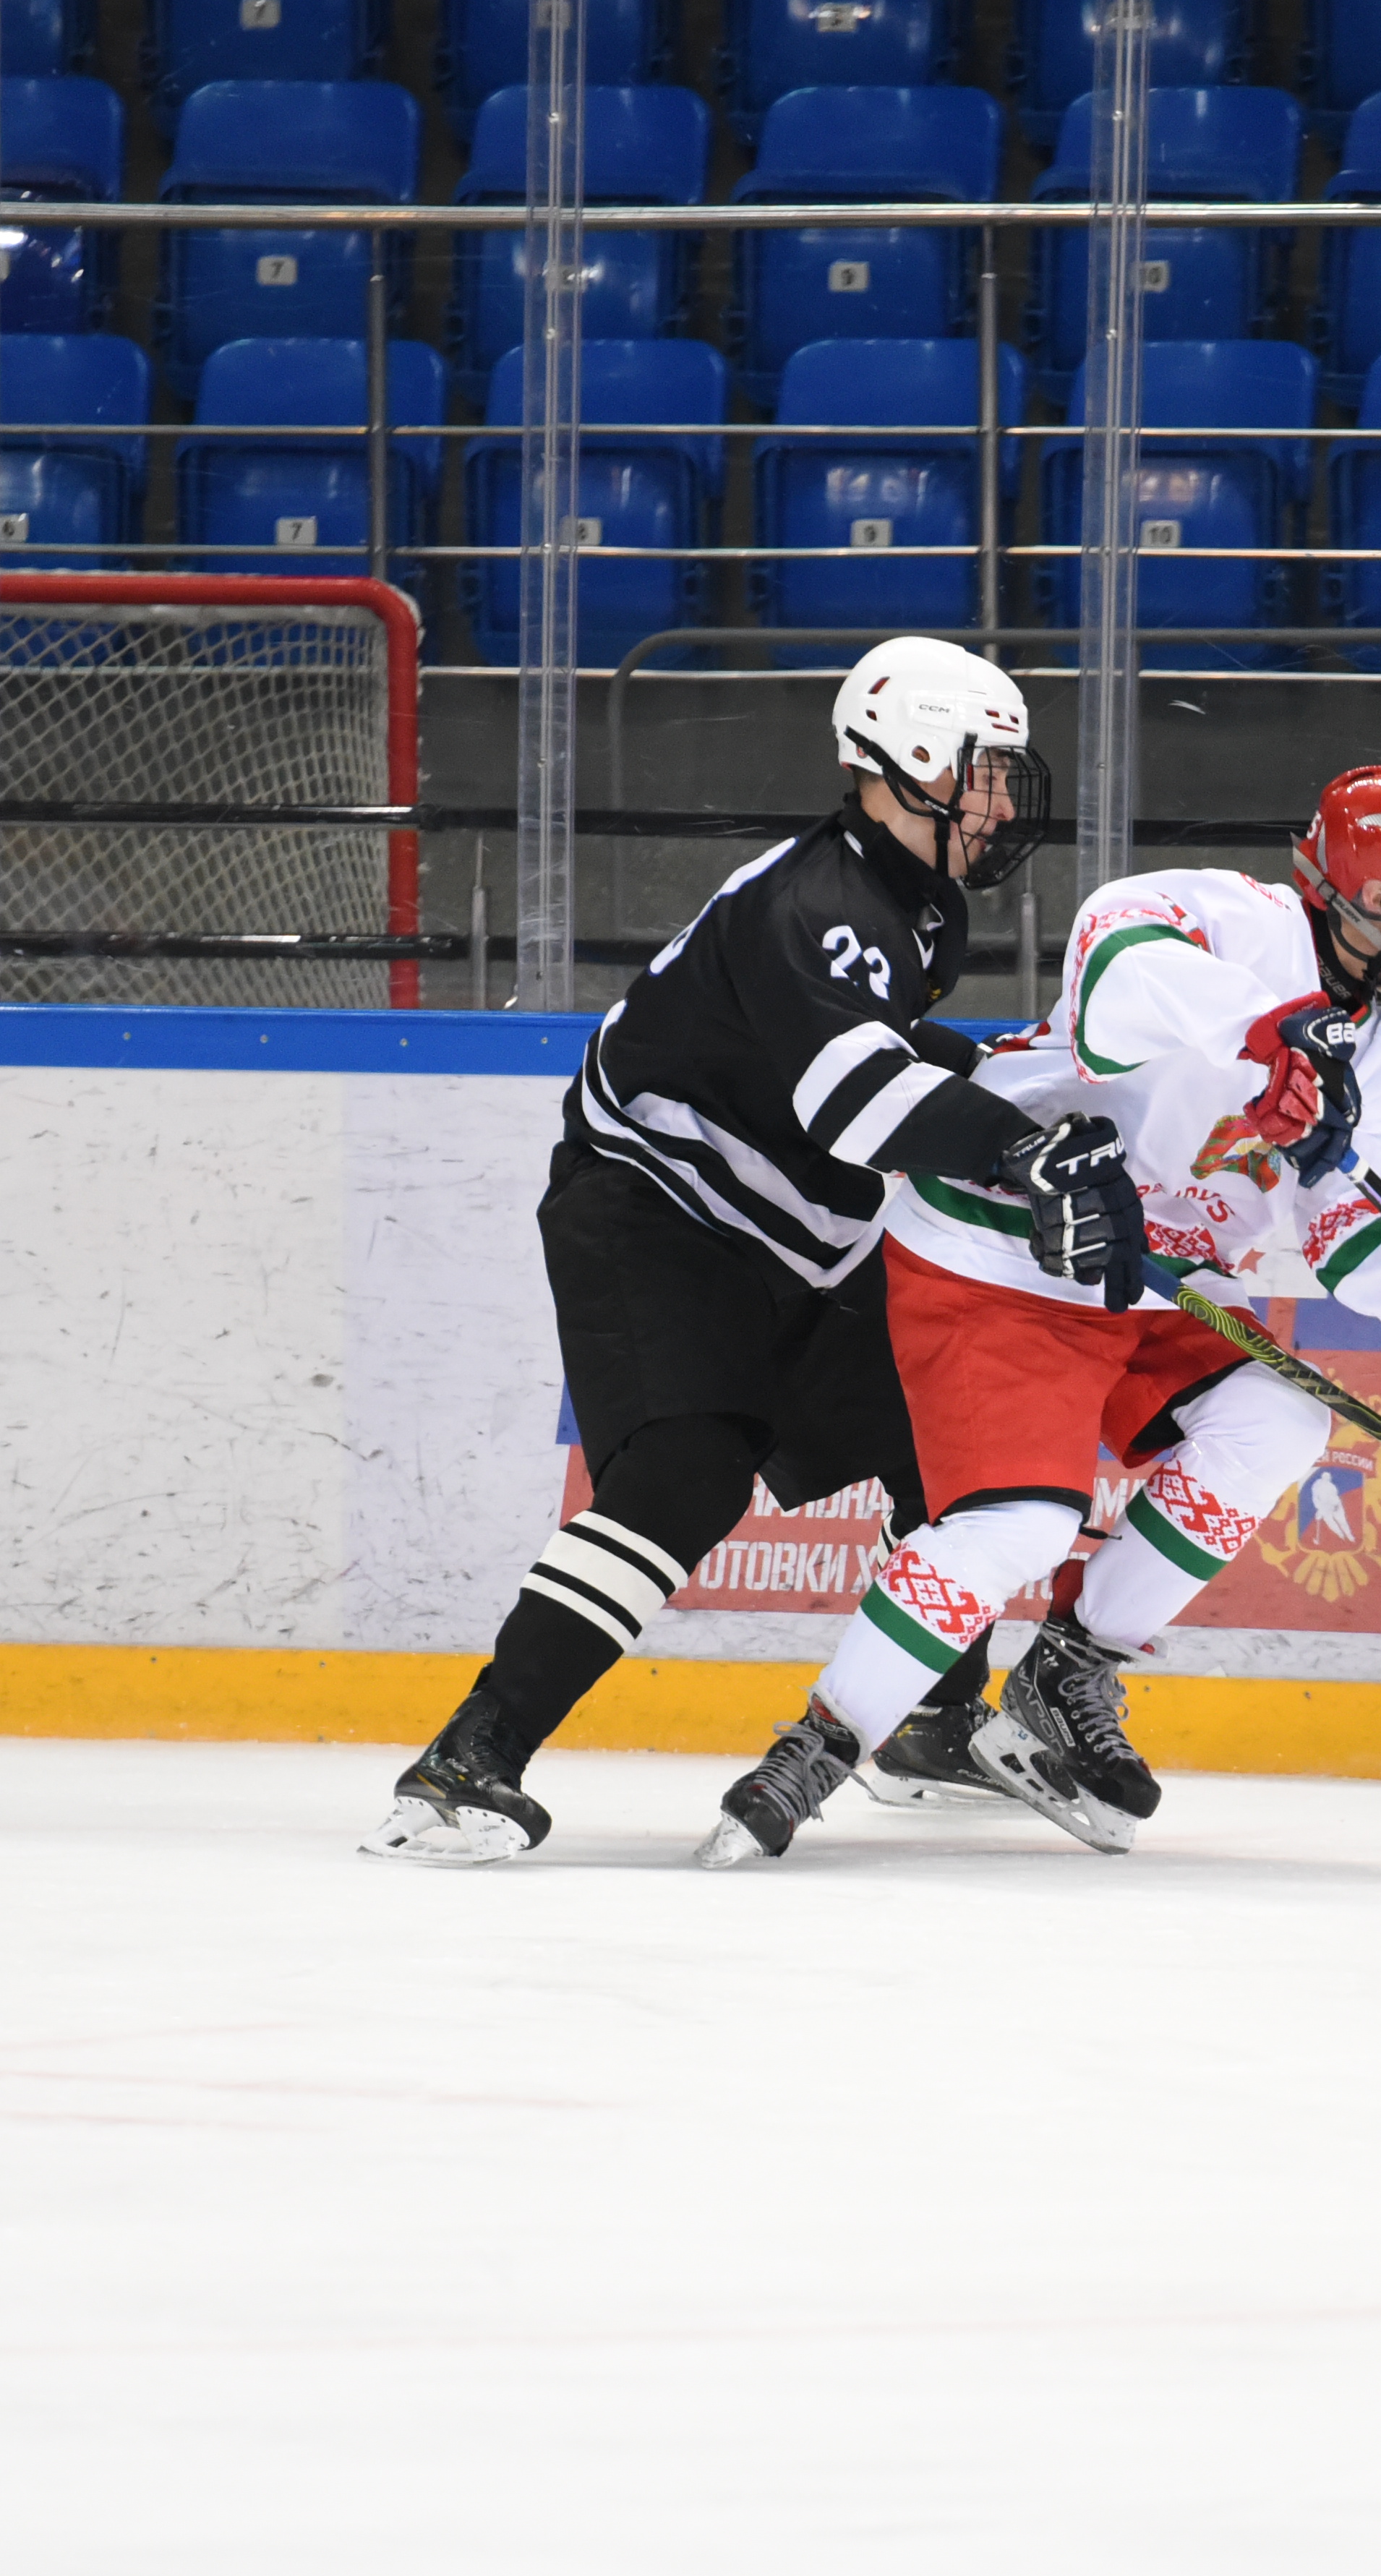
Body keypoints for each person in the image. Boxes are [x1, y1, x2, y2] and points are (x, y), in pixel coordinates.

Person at [698, 764, 1381, 1865]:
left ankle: (1069, 1667)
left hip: (1155, 1277)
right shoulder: (1227, 918)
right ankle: (821, 1745)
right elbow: (1112, 974)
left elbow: (1347, 1217)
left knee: (1279, 1421)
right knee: (1019, 1525)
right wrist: (1266, 1034)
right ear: (1355, 889)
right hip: (1007, 1243)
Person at [361, 640, 1149, 1864]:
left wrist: (1037, 1099)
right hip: (654, 1210)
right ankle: (466, 1764)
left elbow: (881, 1052)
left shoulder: (913, 904)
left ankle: (932, 1724)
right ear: (913, 760)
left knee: (942, 1433)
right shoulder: (819, 903)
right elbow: (854, 1098)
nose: (1002, 802)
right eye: (985, 771)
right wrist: (1018, 1147)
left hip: (796, 1239)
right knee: (684, 1477)